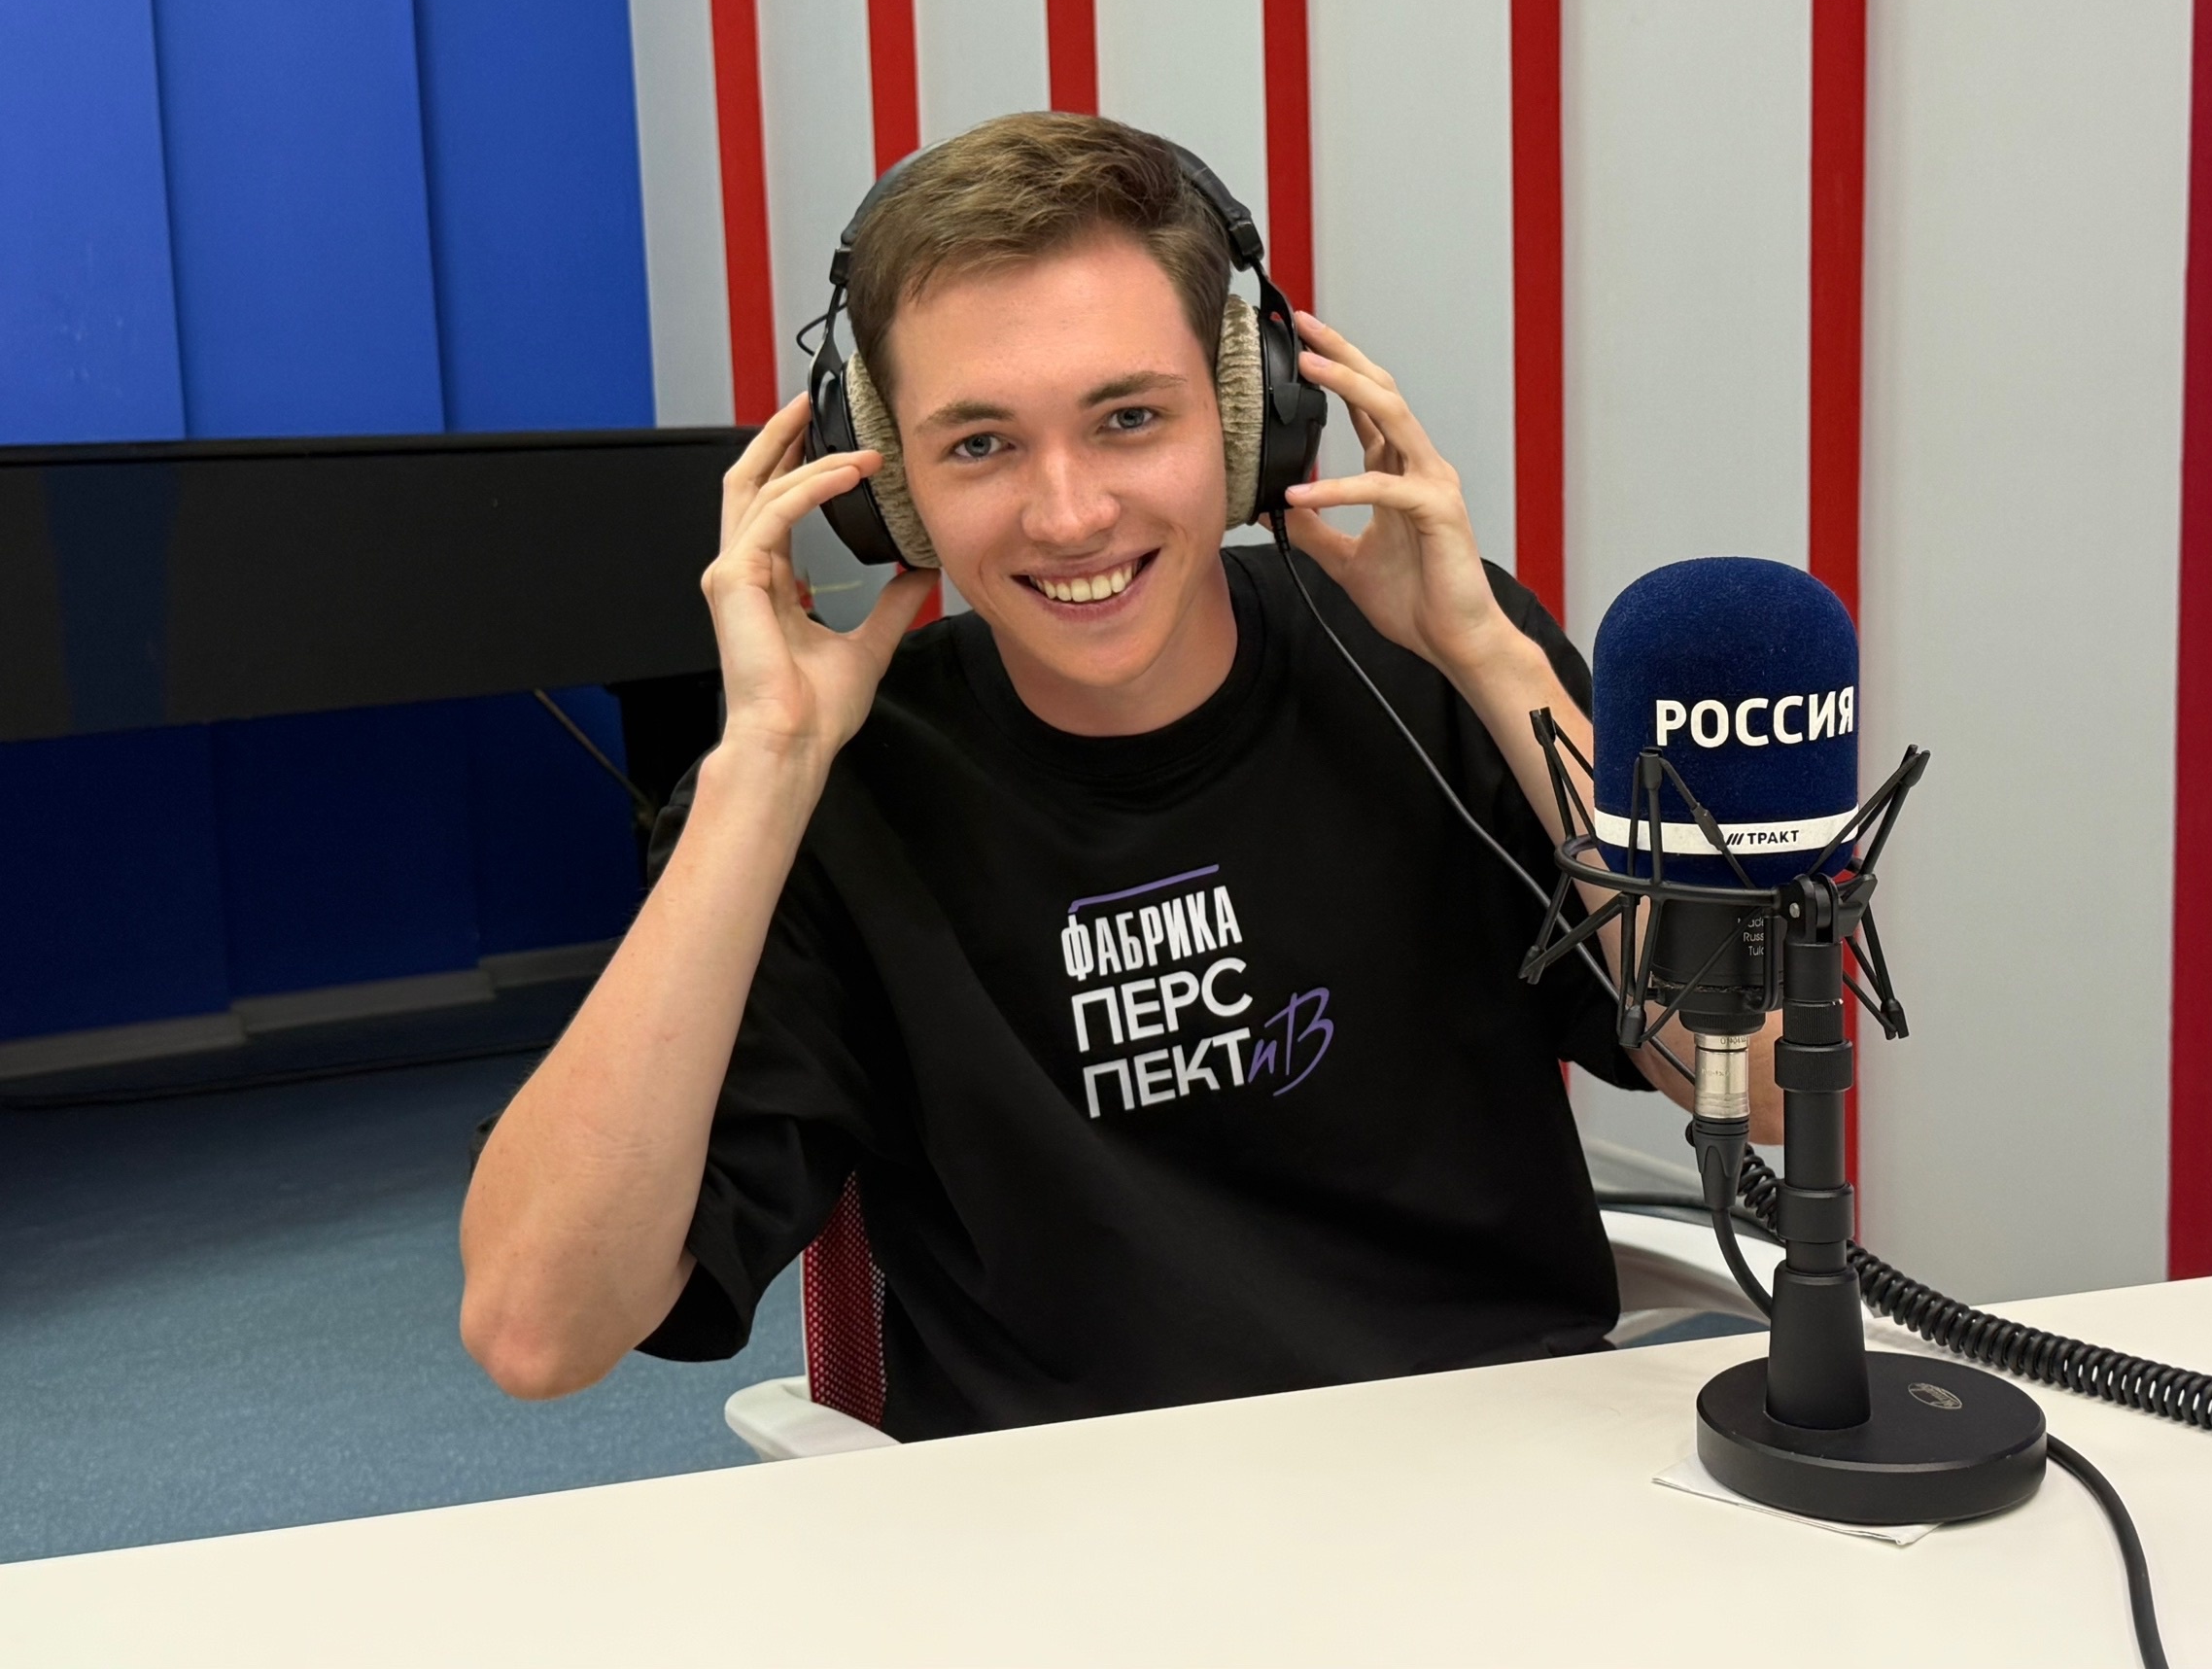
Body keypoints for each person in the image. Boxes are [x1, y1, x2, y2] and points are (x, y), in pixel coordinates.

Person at [459, 113, 1779, 1437]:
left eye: (1130, 418)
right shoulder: (832, 790)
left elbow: (1759, 1081)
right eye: (979, 445)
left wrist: (1491, 661)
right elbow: (538, 1331)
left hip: (1489, 1466)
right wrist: (762, 767)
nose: (1070, 513)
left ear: (1251, 418)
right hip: (1066, 1520)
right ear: (886, 488)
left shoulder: (1440, 672)